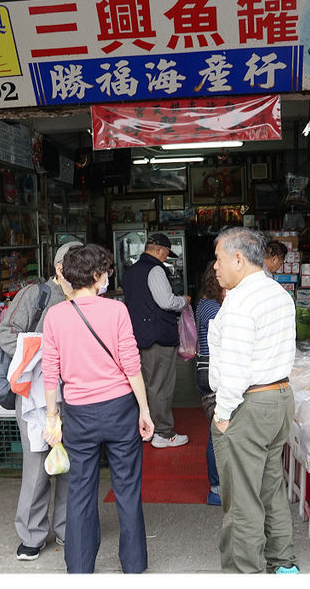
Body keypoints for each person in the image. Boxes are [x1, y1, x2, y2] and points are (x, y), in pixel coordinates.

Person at [40, 244, 154, 573]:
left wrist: (52, 417)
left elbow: (51, 371)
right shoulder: (116, 310)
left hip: (78, 414)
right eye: (104, 273)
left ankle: (79, 567)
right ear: (94, 276)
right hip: (120, 409)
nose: (107, 278)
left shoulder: (56, 315)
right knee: (128, 489)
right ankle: (133, 565)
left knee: (79, 491)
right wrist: (144, 411)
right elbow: (131, 365)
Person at [208, 227, 298, 574]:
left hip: (248, 403)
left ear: (238, 259)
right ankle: (283, 562)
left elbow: (234, 365)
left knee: (242, 500)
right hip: (278, 398)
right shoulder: (276, 292)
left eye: (218, 259)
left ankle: (242, 572)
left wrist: (223, 413)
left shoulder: (243, 302)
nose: (215, 267)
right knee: (270, 486)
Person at [0, 240, 82, 561]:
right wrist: (45, 351)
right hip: (35, 394)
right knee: (37, 466)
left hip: (73, 393)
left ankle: (67, 528)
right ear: (60, 268)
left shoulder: (87, 298)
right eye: (76, 265)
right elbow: (6, 334)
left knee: (70, 465)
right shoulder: (37, 295)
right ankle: (32, 534)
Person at [121, 232, 191, 448]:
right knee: (160, 386)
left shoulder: (131, 271)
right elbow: (166, 301)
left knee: (144, 385)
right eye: (166, 254)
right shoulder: (155, 269)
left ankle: (146, 428)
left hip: (137, 335)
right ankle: (163, 432)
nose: (166, 258)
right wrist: (185, 300)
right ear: (159, 250)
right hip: (158, 336)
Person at [194, 261, 224, 506]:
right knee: (217, 431)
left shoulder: (204, 303)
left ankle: (218, 485)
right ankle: (216, 488)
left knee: (217, 429)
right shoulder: (213, 308)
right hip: (212, 371)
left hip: (206, 370)